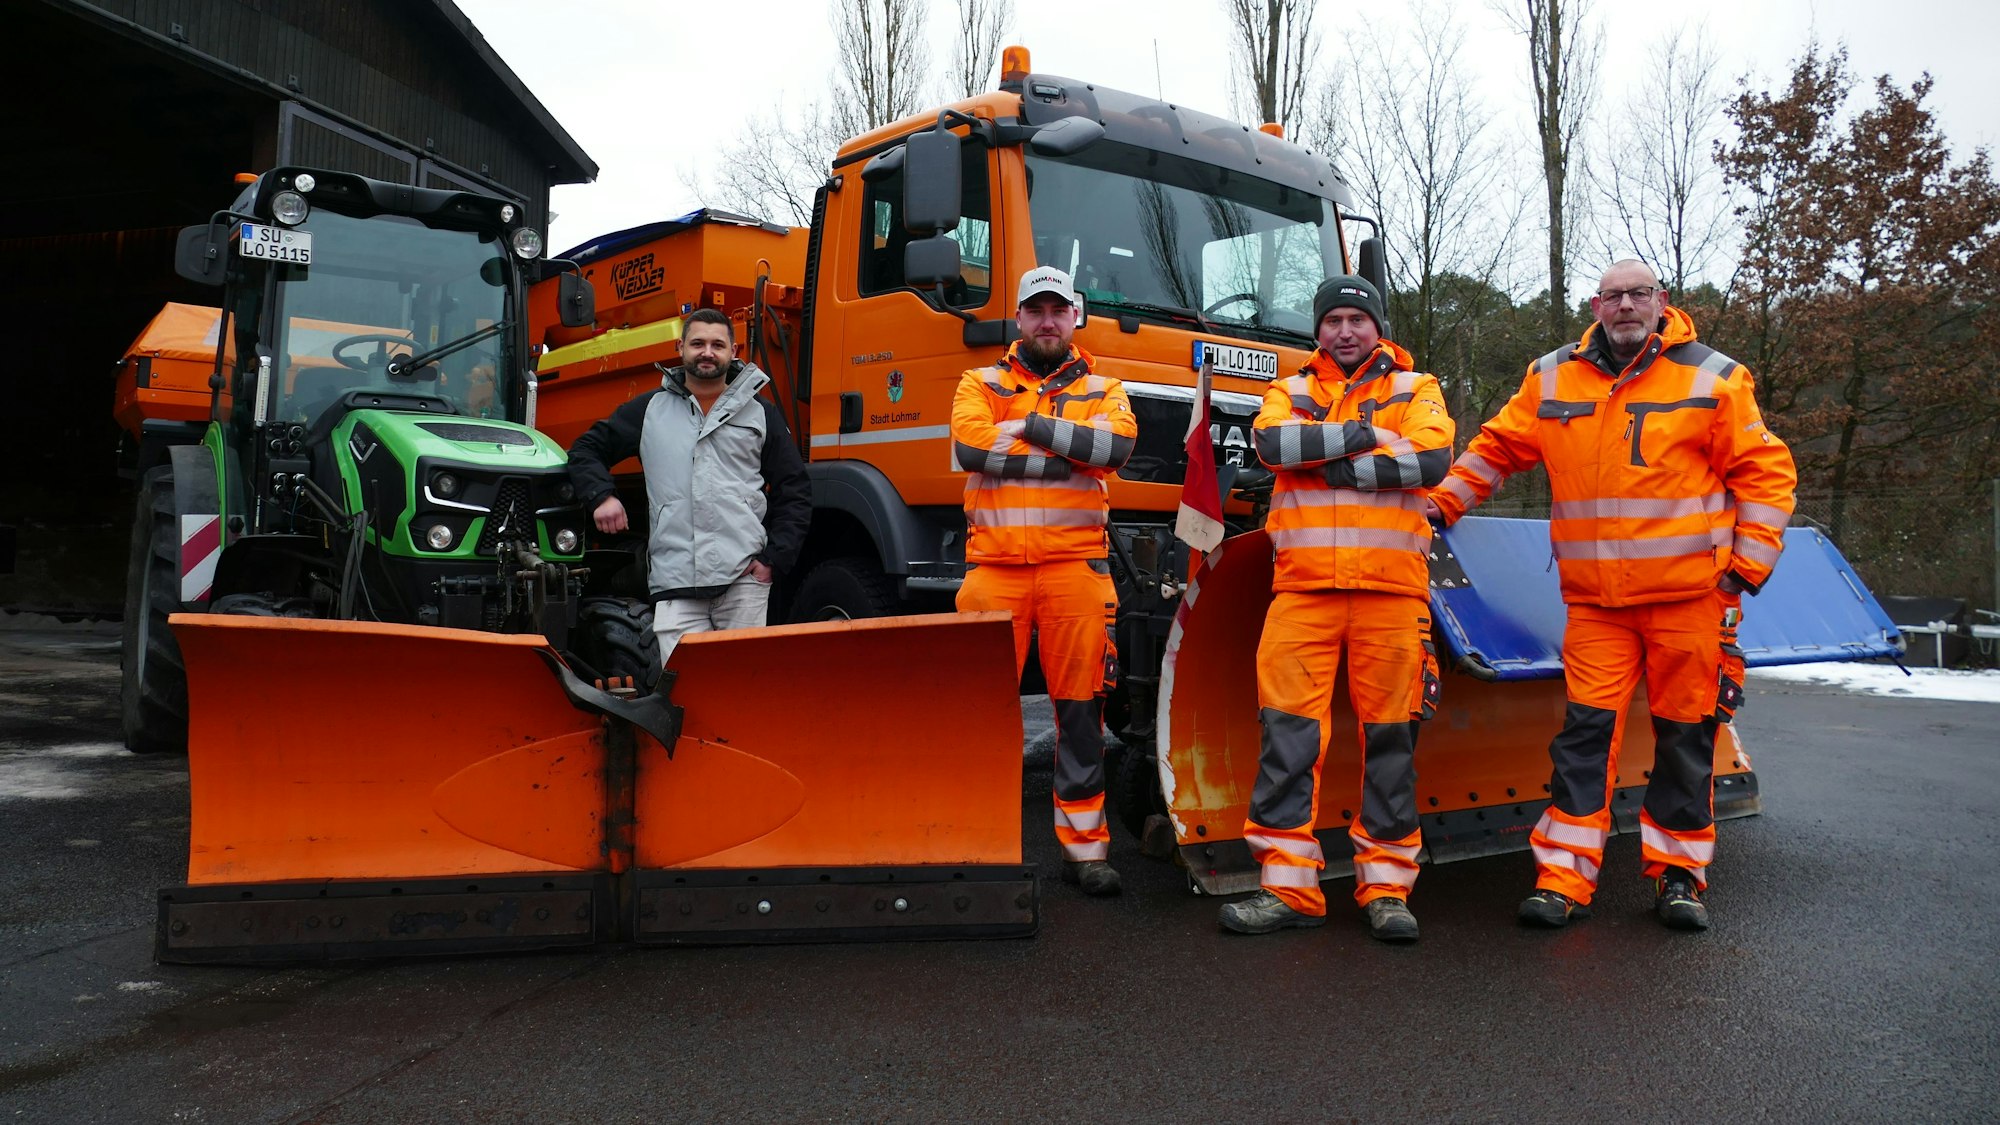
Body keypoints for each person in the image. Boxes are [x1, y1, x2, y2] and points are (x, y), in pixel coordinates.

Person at [1427, 259, 1797, 931]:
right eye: (1612, 296)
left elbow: (1766, 476)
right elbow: (1497, 448)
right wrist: (1440, 504)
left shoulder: (1714, 376)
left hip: (1690, 602)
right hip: (1597, 606)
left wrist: (1744, 570)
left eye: (1638, 294)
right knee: (1584, 741)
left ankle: (1679, 877)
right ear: (1596, 307)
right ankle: (1562, 879)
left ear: (1662, 303)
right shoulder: (1551, 376)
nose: (1625, 305)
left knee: (1686, 739)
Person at [1217, 275, 1454, 942]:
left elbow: (1431, 459)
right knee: (1287, 741)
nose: (1345, 330)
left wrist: (1331, 455)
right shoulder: (1287, 391)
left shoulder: (1419, 388)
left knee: (1391, 744)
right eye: (1333, 320)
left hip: (1390, 595)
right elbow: (1272, 447)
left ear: (1377, 326)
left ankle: (1386, 887)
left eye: (1358, 318)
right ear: (1318, 330)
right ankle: (1287, 887)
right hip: (1303, 593)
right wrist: (1368, 437)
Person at [950, 266, 1137, 896]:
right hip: (993, 574)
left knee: (1081, 716)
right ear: (1020, 318)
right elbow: (973, 451)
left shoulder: (1108, 386)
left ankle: (1086, 851)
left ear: (1075, 318)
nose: (1048, 321)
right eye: (1036, 310)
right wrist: (1070, 449)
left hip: (1075, 573)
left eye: (1059, 310)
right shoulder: (979, 380)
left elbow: (1115, 452)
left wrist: (1026, 426)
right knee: (978, 716)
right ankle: (978, 847)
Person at [566, 307, 811, 661]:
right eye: (697, 343)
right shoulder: (650, 410)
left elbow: (795, 489)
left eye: (717, 344)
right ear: (680, 347)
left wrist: (773, 560)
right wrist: (602, 496)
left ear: (734, 349)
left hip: (743, 581)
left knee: (741, 688)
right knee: (684, 692)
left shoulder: (760, 413)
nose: (707, 353)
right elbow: (586, 450)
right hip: (674, 584)